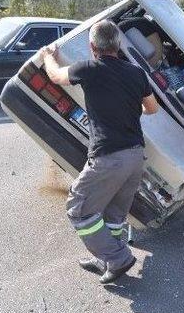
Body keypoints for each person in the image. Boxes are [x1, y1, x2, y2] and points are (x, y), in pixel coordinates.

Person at [39, 20, 159, 283]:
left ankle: (117, 258)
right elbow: (152, 108)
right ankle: (105, 258)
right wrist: (128, 109)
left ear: (92, 46)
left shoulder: (90, 68)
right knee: (113, 216)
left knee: (78, 209)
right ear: (118, 45)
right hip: (135, 157)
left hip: (109, 157)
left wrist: (48, 56)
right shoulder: (136, 73)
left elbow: (56, 76)